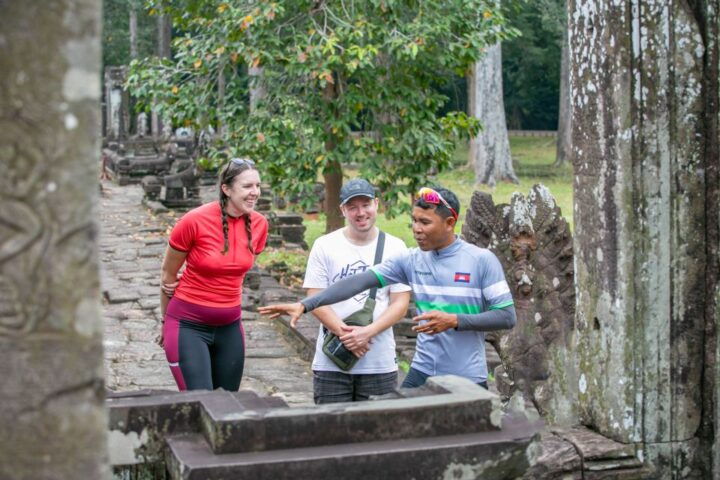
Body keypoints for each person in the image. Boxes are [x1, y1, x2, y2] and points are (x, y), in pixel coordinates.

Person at [259, 186, 515, 389]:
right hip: (421, 372)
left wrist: (454, 320)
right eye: (414, 221)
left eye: (425, 222)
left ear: (449, 223)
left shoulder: (481, 261)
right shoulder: (411, 259)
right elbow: (358, 282)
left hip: (467, 376)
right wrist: (305, 304)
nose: (416, 229)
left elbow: (506, 316)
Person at [159, 157, 268, 391]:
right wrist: (164, 322)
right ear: (226, 189)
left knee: (228, 406)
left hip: (229, 327)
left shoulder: (260, 225)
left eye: (258, 185)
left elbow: (236, 272)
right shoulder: (193, 221)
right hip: (187, 326)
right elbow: (168, 276)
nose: (255, 192)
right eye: (247, 186)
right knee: (201, 403)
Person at [303, 178, 411, 404]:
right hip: (332, 360)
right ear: (342, 210)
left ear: (377, 205)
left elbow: (400, 302)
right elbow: (315, 297)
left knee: (378, 434)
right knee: (331, 433)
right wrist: (346, 335)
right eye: (352, 207)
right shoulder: (325, 245)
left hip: (379, 361)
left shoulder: (396, 247)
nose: (360, 213)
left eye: (366, 205)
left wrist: (367, 332)